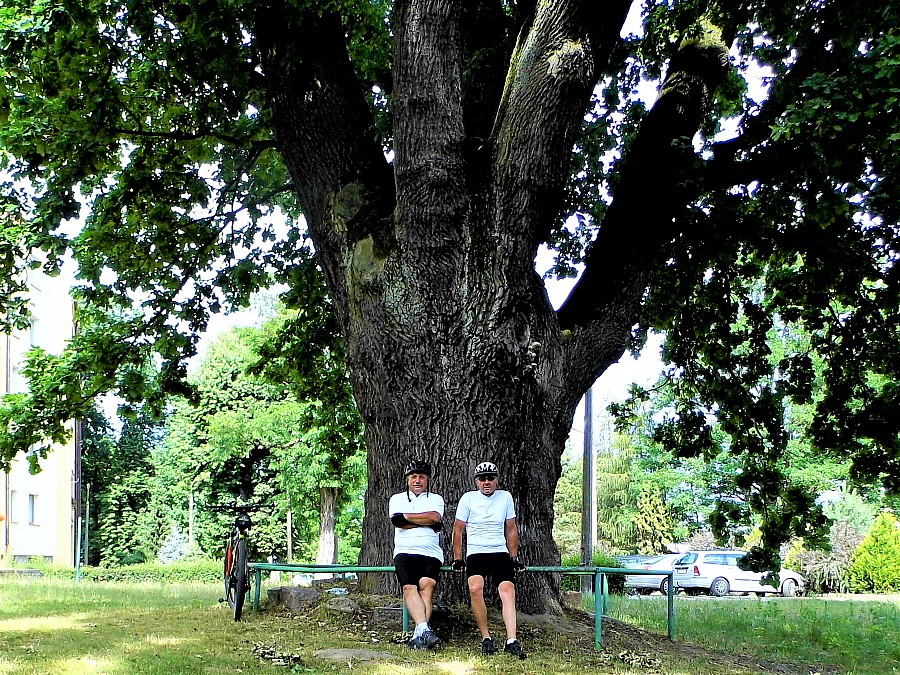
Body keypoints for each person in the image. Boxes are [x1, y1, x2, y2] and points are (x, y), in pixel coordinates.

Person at [452, 461, 527, 659]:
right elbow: (458, 529)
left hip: (499, 551)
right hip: (476, 552)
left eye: (490, 478)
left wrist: (514, 557)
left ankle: (512, 640)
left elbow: (511, 528)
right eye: (482, 479)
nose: (486, 482)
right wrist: (458, 558)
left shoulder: (505, 497)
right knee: (475, 588)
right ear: (476, 481)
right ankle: (486, 638)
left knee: (508, 591)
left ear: (496, 480)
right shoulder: (468, 498)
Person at [389, 459, 444, 650]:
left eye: (421, 477)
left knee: (427, 588)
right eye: (413, 477)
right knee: (409, 588)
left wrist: (407, 518)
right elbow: (397, 521)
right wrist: (426, 522)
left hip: (431, 552)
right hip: (405, 550)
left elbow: (435, 517)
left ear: (427, 479)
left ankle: (418, 635)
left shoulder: (436, 499)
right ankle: (424, 631)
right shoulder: (397, 499)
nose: (417, 480)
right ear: (407, 479)